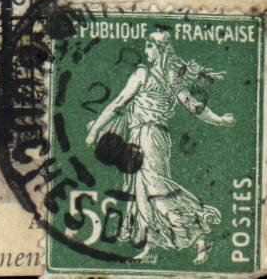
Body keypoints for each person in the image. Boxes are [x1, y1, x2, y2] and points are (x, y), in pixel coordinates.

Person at [85, 27, 233, 264]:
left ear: (161, 50)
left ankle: (199, 229)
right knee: (142, 194)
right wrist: (219, 119)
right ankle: (150, 246)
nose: (146, 50)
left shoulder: (142, 74)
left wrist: (94, 131)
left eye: (150, 46)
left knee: (155, 189)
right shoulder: (173, 81)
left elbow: (119, 103)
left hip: (148, 135)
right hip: (152, 137)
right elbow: (195, 107)